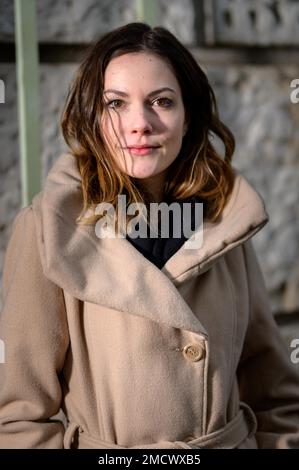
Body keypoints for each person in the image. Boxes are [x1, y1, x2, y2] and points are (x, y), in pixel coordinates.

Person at [0, 22, 299, 450]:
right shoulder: (50, 230)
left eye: (161, 101)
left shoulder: (226, 221)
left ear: (187, 114)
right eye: (116, 104)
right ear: (92, 117)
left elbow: (275, 393)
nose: (139, 124)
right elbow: (18, 420)